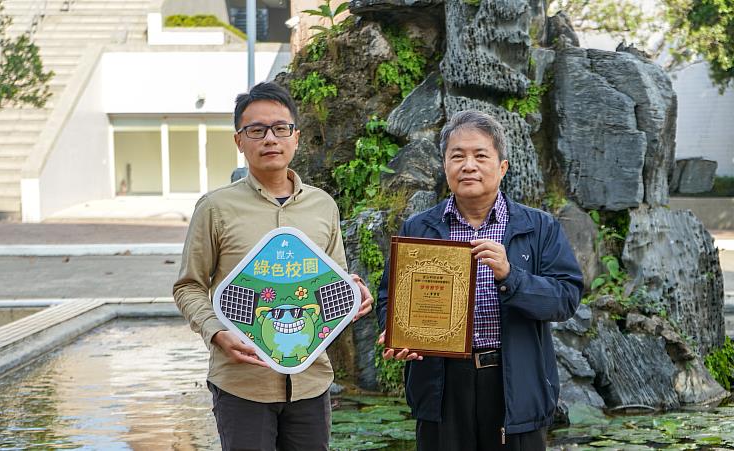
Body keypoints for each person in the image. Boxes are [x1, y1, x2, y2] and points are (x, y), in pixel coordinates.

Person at [174, 81, 372, 451]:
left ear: (295, 137)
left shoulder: (323, 206)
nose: (270, 139)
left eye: (281, 129)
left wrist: (355, 295)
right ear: (239, 141)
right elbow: (188, 286)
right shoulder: (215, 208)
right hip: (241, 383)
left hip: (311, 382)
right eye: (256, 130)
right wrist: (216, 331)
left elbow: (336, 281)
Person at [376, 110, 583, 451]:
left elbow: (565, 299)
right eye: (457, 156)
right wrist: (396, 332)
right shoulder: (420, 228)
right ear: (445, 166)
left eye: (480, 156)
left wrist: (510, 276)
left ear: (502, 167)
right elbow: (389, 297)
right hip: (441, 386)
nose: (468, 165)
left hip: (512, 383)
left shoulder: (539, 227)